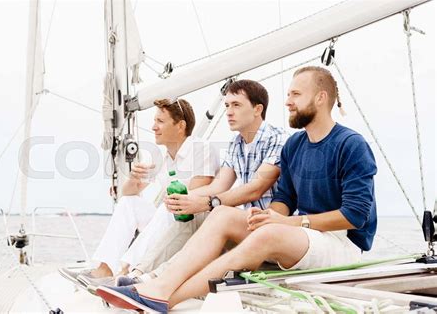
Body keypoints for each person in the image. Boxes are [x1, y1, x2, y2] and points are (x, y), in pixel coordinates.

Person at [96, 66, 378, 312]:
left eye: (296, 95)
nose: (287, 102)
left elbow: (355, 216)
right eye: (289, 94)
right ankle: (157, 283)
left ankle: (164, 298)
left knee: (268, 231)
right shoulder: (295, 145)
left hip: (341, 242)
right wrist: (268, 216)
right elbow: (285, 198)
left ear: (320, 98)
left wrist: (284, 221)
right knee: (222, 216)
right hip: (302, 234)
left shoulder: (350, 145)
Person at [112, 79, 288, 286]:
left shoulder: (277, 138)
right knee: (193, 212)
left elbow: (256, 189)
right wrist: (184, 200)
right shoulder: (236, 144)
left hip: (274, 228)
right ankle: (140, 274)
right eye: (227, 106)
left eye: (236, 105)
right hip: (249, 225)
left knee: (211, 211)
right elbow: (219, 186)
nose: (229, 112)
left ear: (258, 109)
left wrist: (205, 203)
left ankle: (157, 278)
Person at [59, 98, 219, 286]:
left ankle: (128, 271)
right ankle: (105, 269)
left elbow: (196, 197)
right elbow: (126, 195)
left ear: (180, 126)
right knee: (130, 204)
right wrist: (134, 178)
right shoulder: (163, 158)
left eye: (160, 121)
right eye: (154, 121)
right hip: (169, 221)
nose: (153, 127)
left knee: (169, 205)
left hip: (195, 227)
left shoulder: (201, 149)